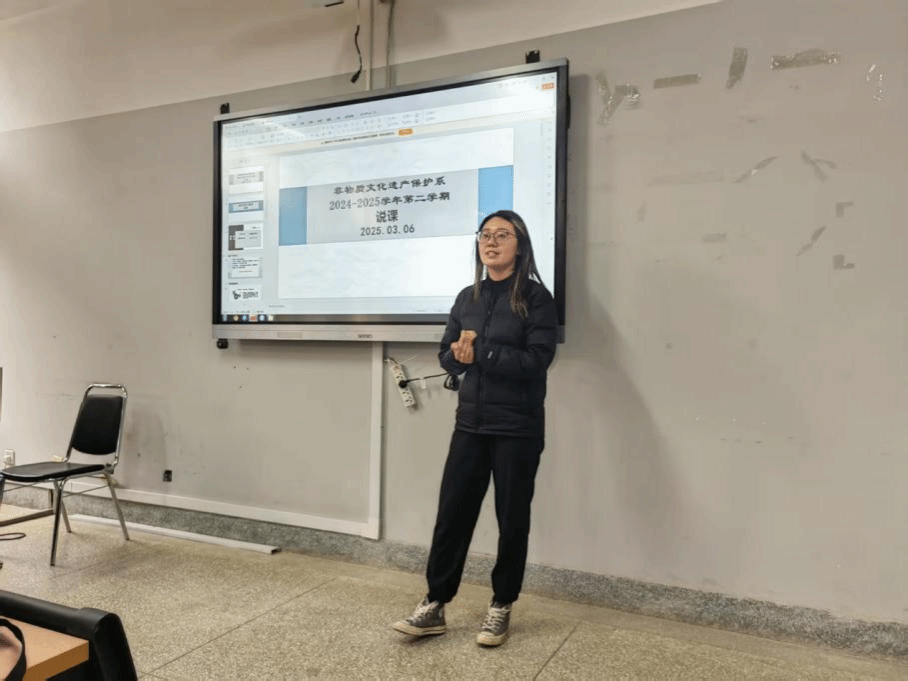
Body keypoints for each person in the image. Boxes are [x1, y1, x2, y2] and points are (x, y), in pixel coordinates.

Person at [392, 209, 558, 646]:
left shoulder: (536, 299)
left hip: (518, 428)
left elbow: (538, 360)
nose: (491, 242)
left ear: (520, 247)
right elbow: (447, 356)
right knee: (452, 515)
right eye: (485, 235)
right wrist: (458, 356)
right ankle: (435, 602)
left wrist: (481, 352)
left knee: (512, 519)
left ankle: (501, 604)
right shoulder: (468, 297)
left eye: (502, 235)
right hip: (470, 424)